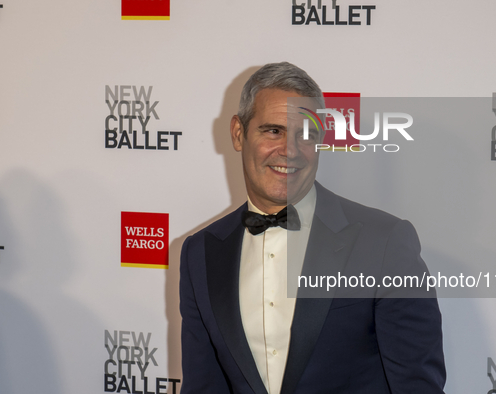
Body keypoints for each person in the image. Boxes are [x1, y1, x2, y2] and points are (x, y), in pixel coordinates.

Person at [179, 62, 446, 394]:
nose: (289, 151)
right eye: (272, 131)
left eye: (306, 135)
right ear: (238, 133)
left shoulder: (384, 243)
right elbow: (203, 386)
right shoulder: (201, 252)